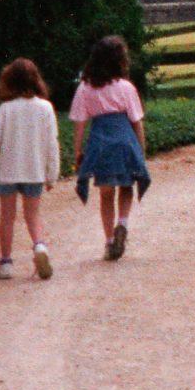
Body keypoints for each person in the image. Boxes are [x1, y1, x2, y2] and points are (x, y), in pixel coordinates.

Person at [0, 58, 59, 280]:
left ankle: (6, 263)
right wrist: (52, 174)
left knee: (7, 217)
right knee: (33, 214)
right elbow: (52, 143)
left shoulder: (5, 110)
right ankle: (39, 246)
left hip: (8, 172)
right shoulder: (46, 108)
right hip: (34, 171)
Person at [70, 34, 150, 259]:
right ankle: (122, 223)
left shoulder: (85, 87)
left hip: (101, 140)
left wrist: (78, 150)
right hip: (125, 139)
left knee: (106, 193)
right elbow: (136, 121)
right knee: (127, 185)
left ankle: (109, 241)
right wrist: (141, 151)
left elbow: (79, 122)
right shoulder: (126, 87)